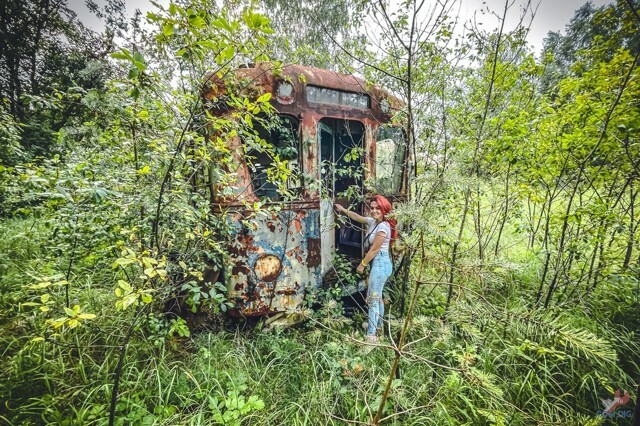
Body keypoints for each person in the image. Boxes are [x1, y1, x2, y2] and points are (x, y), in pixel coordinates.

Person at [334, 195, 396, 343]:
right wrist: (343, 210)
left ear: (384, 210)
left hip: (380, 264)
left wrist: (362, 264)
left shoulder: (383, 227)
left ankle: (371, 336)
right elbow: (357, 217)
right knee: (378, 298)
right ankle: (378, 327)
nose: (374, 211)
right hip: (379, 264)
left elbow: (374, 250)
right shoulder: (374, 222)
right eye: (372, 208)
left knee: (373, 299)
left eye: (377, 208)